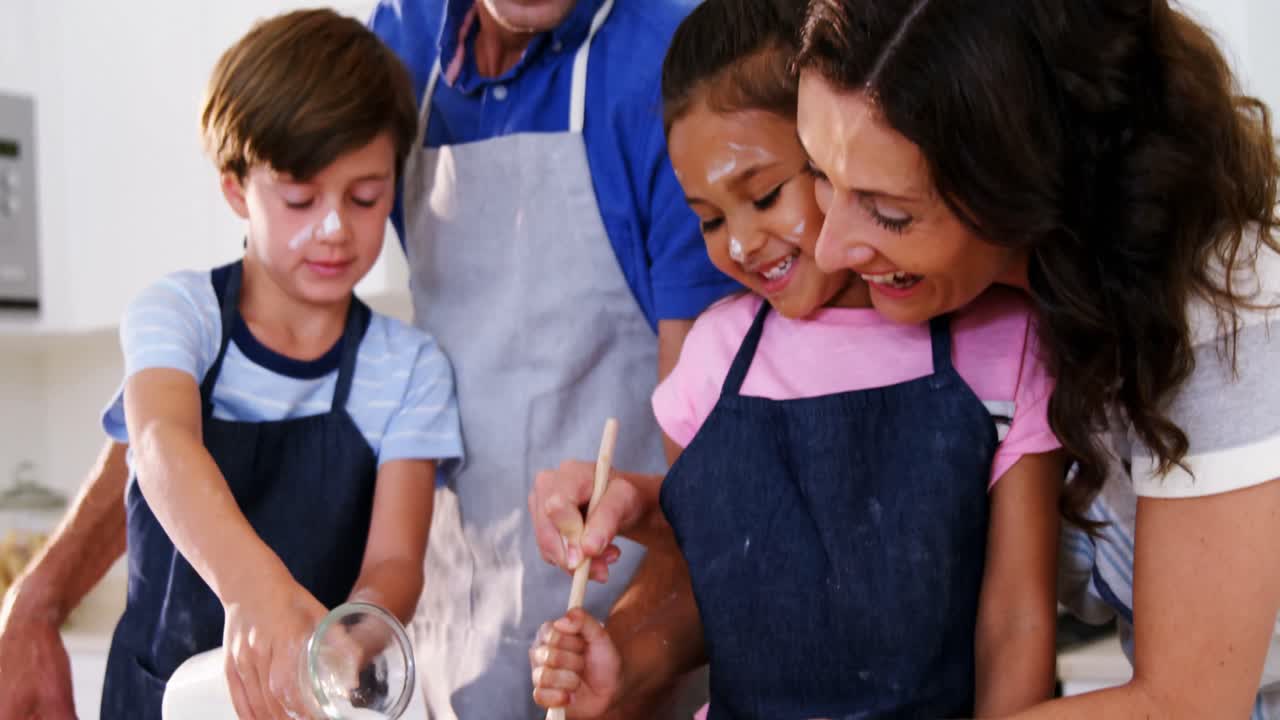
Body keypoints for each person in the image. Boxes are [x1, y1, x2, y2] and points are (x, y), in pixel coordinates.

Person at [532, 0, 1280, 717]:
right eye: (824, 175)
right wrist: (652, 514)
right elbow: (804, 556)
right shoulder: (935, 292)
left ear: (1014, 182)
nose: (833, 248)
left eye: (888, 211)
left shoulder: (1219, 313)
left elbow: (1184, 701)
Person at [15, 10, 464, 720]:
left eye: (365, 196)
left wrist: (343, 647)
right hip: (157, 699)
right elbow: (161, 443)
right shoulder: (179, 315)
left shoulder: (408, 368)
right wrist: (254, 593)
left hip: (306, 702)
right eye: (298, 197)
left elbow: (393, 565)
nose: (334, 228)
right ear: (234, 187)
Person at [368, 0, 738, 717]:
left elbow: (718, 501)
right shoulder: (402, 37)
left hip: (631, 643)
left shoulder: (679, 57)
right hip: (450, 636)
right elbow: (264, 305)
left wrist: (617, 666)